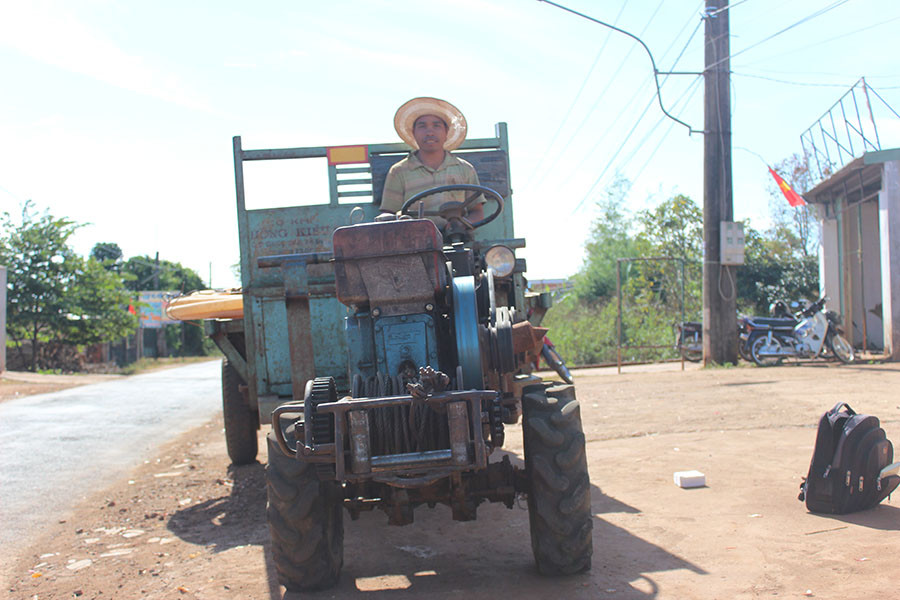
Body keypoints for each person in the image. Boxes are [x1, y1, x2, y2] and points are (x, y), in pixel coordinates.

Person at [380, 97, 484, 229]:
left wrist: (460, 225)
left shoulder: (464, 169)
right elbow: (389, 215)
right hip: (415, 238)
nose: (429, 132)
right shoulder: (399, 171)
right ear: (413, 133)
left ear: (446, 132)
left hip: (459, 237)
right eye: (422, 126)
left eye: (436, 125)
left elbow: (477, 212)